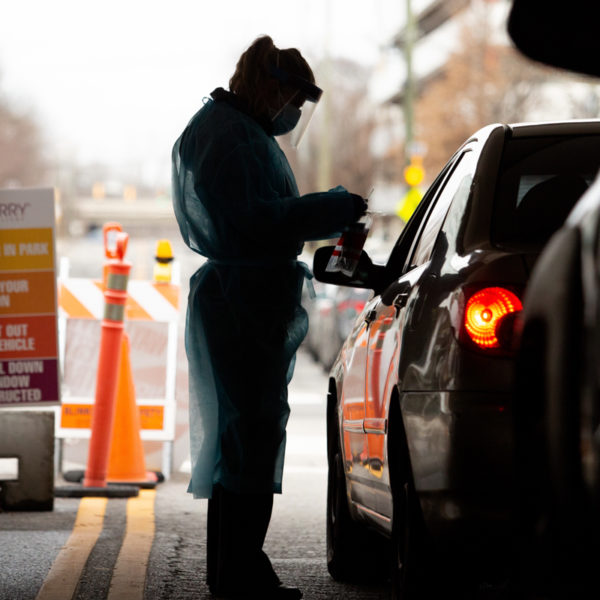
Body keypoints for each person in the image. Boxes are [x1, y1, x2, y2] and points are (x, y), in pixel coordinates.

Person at [172, 35, 368, 599]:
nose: (294, 115)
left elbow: (258, 217)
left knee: (243, 440)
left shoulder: (232, 131)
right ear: (270, 87)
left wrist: (323, 211)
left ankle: (232, 570)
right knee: (251, 440)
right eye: (294, 101)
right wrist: (331, 207)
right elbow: (257, 219)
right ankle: (242, 573)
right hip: (244, 300)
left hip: (244, 297)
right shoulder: (232, 138)